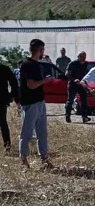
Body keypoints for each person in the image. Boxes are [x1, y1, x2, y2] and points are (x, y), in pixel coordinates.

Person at [18, 39, 52, 167]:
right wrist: (44, 81)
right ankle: (24, 160)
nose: (43, 52)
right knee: (26, 133)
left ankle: (44, 159)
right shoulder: (27, 65)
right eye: (42, 50)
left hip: (39, 102)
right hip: (30, 104)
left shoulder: (37, 65)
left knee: (42, 133)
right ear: (39, 50)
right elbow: (31, 85)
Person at [64, 51, 91, 124]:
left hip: (81, 84)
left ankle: (84, 117)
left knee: (84, 100)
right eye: (82, 57)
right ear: (78, 57)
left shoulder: (86, 64)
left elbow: (88, 74)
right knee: (71, 100)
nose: (83, 58)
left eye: (84, 57)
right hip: (73, 84)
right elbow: (67, 74)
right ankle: (68, 115)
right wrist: (74, 79)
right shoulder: (72, 64)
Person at [0, 60, 19, 152]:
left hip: (2, 99)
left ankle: (7, 145)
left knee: (3, 122)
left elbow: (14, 83)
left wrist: (12, 95)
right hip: (2, 99)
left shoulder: (4, 69)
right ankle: (7, 145)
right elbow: (14, 83)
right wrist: (12, 95)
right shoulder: (4, 69)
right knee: (3, 122)